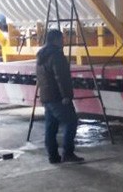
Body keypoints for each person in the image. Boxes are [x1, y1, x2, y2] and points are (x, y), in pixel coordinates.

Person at [36, 29, 84, 164]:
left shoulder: (41, 55)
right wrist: (66, 96)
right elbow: (61, 78)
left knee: (51, 127)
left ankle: (53, 156)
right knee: (71, 122)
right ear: (56, 40)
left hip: (47, 97)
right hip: (57, 97)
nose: (64, 41)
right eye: (62, 39)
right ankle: (68, 153)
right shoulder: (56, 55)